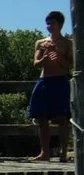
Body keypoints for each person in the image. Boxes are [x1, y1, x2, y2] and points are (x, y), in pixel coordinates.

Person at [28, 10, 73, 162]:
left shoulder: (68, 43)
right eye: (48, 23)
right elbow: (36, 64)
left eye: (52, 23)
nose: (49, 26)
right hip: (44, 81)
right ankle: (44, 153)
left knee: (62, 119)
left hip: (59, 81)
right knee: (41, 118)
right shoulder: (41, 43)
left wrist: (57, 54)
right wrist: (45, 58)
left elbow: (68, 66)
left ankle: (63, 153)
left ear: (60, 24)